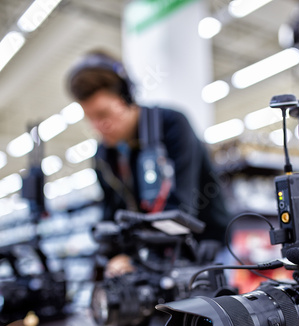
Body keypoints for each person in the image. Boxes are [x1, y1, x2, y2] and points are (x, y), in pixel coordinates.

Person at [66, 50, 230, 275]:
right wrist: (110, 256)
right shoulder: (104, 155)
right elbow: (110, 213)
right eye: (91, 118)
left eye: (103, 114)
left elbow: (182, 206)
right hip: (150, 253)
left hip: (204, 246)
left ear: (127, 97)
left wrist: (136, 257)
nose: (99, 126)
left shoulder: (172, 125)